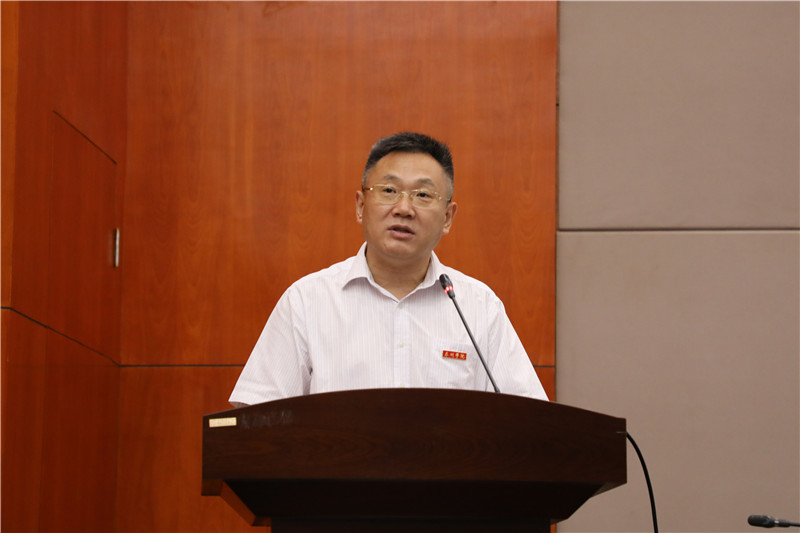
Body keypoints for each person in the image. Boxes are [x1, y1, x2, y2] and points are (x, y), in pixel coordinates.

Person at [229, 132, 548, 406]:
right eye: (389, 191)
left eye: (423, 195)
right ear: (360, 206)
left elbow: (527, 421)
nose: (404, 208)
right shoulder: (307, 301)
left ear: (448, 218)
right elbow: (257, 420)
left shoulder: (478, 306)